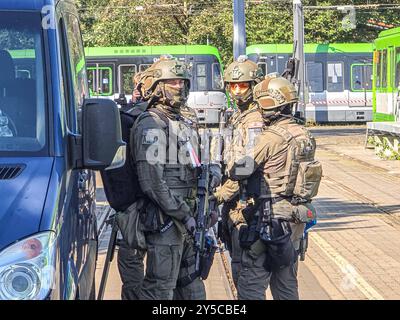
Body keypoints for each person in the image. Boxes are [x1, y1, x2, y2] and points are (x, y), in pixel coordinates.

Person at [227, 74, 322, 300]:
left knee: (251, 284)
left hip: (271, 217)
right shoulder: (305, 134)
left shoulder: (271, 138)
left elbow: (241, 170)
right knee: (286, 281)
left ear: (267, 104)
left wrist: (231, 166)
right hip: (296, 215)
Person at [130, 56, 204, 300]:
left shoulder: (183, 120)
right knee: (160, 290)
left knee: (192, 287)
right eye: (172, 81)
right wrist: (182, 213)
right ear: (157, 86)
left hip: (188, 217)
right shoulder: (151, 124)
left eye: (182, 81)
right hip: (167, 221)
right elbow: (152, 182)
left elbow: (198, 164)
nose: (179, 86)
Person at [212, 55, 264, 287]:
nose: (237, 91)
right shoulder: (235, 117)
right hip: (234, 205)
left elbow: (248, 165)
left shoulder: (255, 121)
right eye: (232, 85)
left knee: (245, 273)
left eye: (242, 85)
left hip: (247, 205)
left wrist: (220, 195)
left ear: (254, 86)